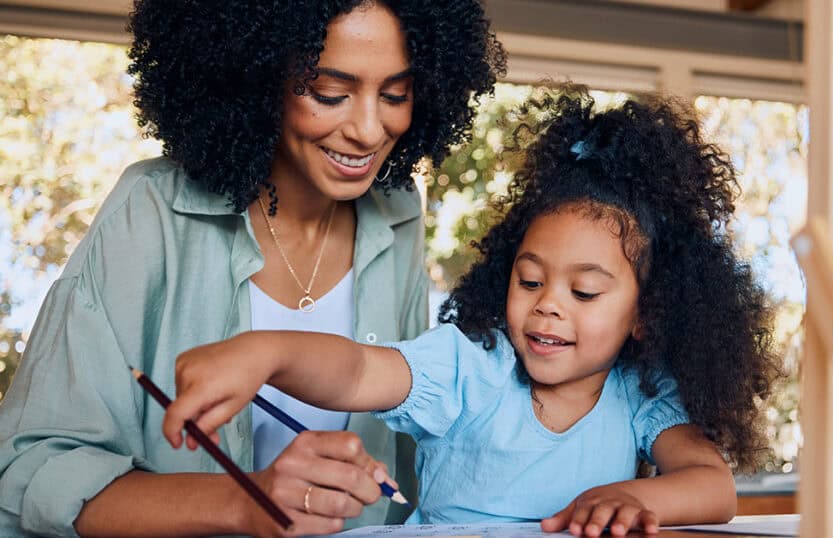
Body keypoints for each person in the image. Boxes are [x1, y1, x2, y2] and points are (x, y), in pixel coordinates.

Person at [165, 87, 784, 537]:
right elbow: (356, 372)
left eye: (585, 293)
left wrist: (629, 495)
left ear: (646, 314)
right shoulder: (471, 367)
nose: (548, 306)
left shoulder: (644, 397)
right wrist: (266, 351)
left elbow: (713, 486)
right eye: (531, 279)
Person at [0, 1, 505, 536]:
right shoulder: (150, 210)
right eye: (330, 94)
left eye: (395, 95)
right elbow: (26, 472)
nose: (368, 130)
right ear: (258, 79)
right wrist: (243, 502)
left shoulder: (398, 211)